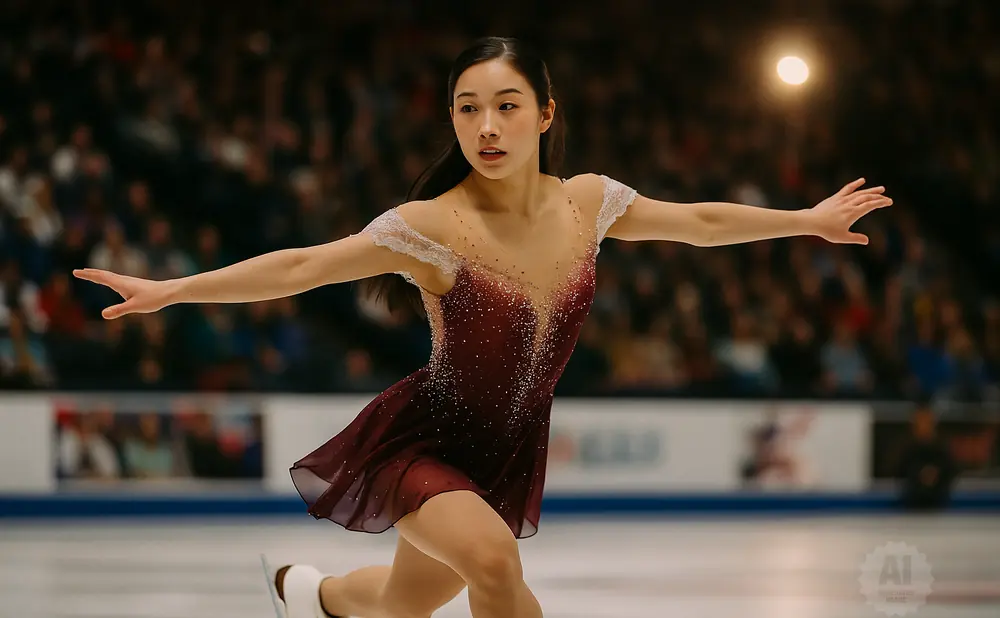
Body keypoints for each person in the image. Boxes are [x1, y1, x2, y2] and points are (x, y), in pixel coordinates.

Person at [74, 36, 892, 618]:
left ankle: (311, 595)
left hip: (502, 452)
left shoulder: (588, 203)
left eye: (507, 106)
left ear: (544, 114)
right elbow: (299, 267)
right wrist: (171, 288)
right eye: (469, 109)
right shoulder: (429, 226)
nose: (487, 126)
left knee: (400, 606)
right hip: (421, 444)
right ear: (454, 122)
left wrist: (804, 220)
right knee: (496, 566)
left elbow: (702, 222)